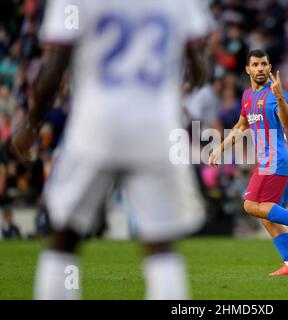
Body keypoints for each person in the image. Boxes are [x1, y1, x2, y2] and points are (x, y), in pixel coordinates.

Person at [10, 0, 211, 300]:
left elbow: (53, 66)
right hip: (156, 128)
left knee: (64, 235)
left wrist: (32, 124)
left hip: (96, 125)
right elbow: (199, 67)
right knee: (160, 243)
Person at [209, 49, 288, 276]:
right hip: (274, 161)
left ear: (270, 68)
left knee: (250, 205)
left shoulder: (275, 92)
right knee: (266, 215)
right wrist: (220, 148)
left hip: (275, 159)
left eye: (264, 64)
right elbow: (241, 126)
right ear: (248, 69)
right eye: (256, 64)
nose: (260, 68)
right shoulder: (247, 96)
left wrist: (279, 96)